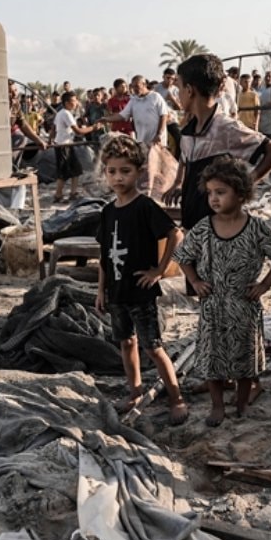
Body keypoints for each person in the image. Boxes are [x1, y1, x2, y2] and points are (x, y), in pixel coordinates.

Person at [173, 156, 271, 426]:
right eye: (210, 193)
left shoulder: (256, 228)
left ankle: (242, 403)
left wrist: (264, 285)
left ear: (241, 194)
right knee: (212, 359)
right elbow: (182, 256)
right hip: (213, 306)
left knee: (245, 359)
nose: (213, 198)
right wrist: (196, 281)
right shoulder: (204, 227)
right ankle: (217, 406)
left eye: (221, 192)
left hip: (244, 305)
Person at [95, 134, 188, 426]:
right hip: (117, 292)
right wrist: (101, 290)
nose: (118, 177)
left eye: (125, 171)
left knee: (153, 347)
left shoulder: (145, 206)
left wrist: (159, 270)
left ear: (138, 171)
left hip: (141, 291)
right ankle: (134, 393)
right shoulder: (107, 212)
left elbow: (175, 234)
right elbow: (104, 254)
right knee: (126, 342)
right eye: (112, 171)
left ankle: (176, 398)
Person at [164, 54, 271, 236]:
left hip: (217, 227)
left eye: (178, 87)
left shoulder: (226, 128)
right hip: (192, 219)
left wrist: (245, 186)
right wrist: (178, 183)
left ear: (189, 90)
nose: (176, 94)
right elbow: (184, 158)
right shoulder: (189, 128)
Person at [99, 75, 169, 148]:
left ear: (144, 84)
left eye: (137, 86)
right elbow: (122, 115)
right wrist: (106, 119)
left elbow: (164, 115)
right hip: (143, 141)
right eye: (133, 86)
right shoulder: (133, 101)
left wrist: (159, 134)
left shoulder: (155, 97)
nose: (135, 89)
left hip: (157, 140)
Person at [51, 91, 96, 203]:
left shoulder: (61, 113)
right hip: (63, 146)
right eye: (73, 101)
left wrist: (50, 139)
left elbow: (53, 128)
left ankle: (73, 193)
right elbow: (78, 131)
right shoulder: (66, 114)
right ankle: (58, 195)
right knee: (63, 172)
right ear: (67, 103)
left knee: (76, 169)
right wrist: (93, 128)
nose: (76, 103)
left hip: (67, 145)